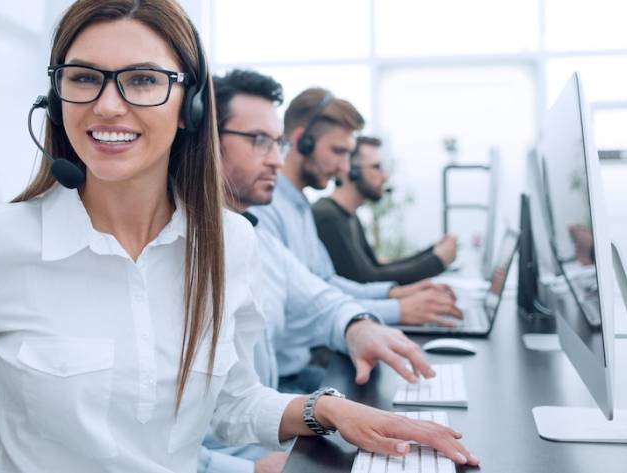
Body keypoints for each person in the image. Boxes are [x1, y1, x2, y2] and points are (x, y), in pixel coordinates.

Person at [0, 3, 478, 473]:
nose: (108, 106)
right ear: (56, 96)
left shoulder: (230, 244)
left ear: (189, 104)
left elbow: (231, 401)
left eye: (142, 79)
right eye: (84, 77)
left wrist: (327, 411)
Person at [202, 69, 478, 473]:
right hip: (249, 435)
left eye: (276, 143)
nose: (277, 160)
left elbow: (317, 293)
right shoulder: (206, 235)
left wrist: (359, 324)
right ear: (202, 140)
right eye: (260, 141)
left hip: (263, 420)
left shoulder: (246, 230)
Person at [249, 88, 463, 328]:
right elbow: (298, 307)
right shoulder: (266, 210)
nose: (343, 168)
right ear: (303, 142)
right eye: (338, 151)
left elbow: (327, 282)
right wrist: (397, 309)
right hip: (308, 358)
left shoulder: (301, 207)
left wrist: (392, 294)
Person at [312, 136, 458, 286]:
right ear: (350, 171)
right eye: (376, 167)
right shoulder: (327, 217)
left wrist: (432, 252)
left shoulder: (350, 216)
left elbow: (376, 267)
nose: (385, 176)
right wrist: (437, 261)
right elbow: (367, 280)